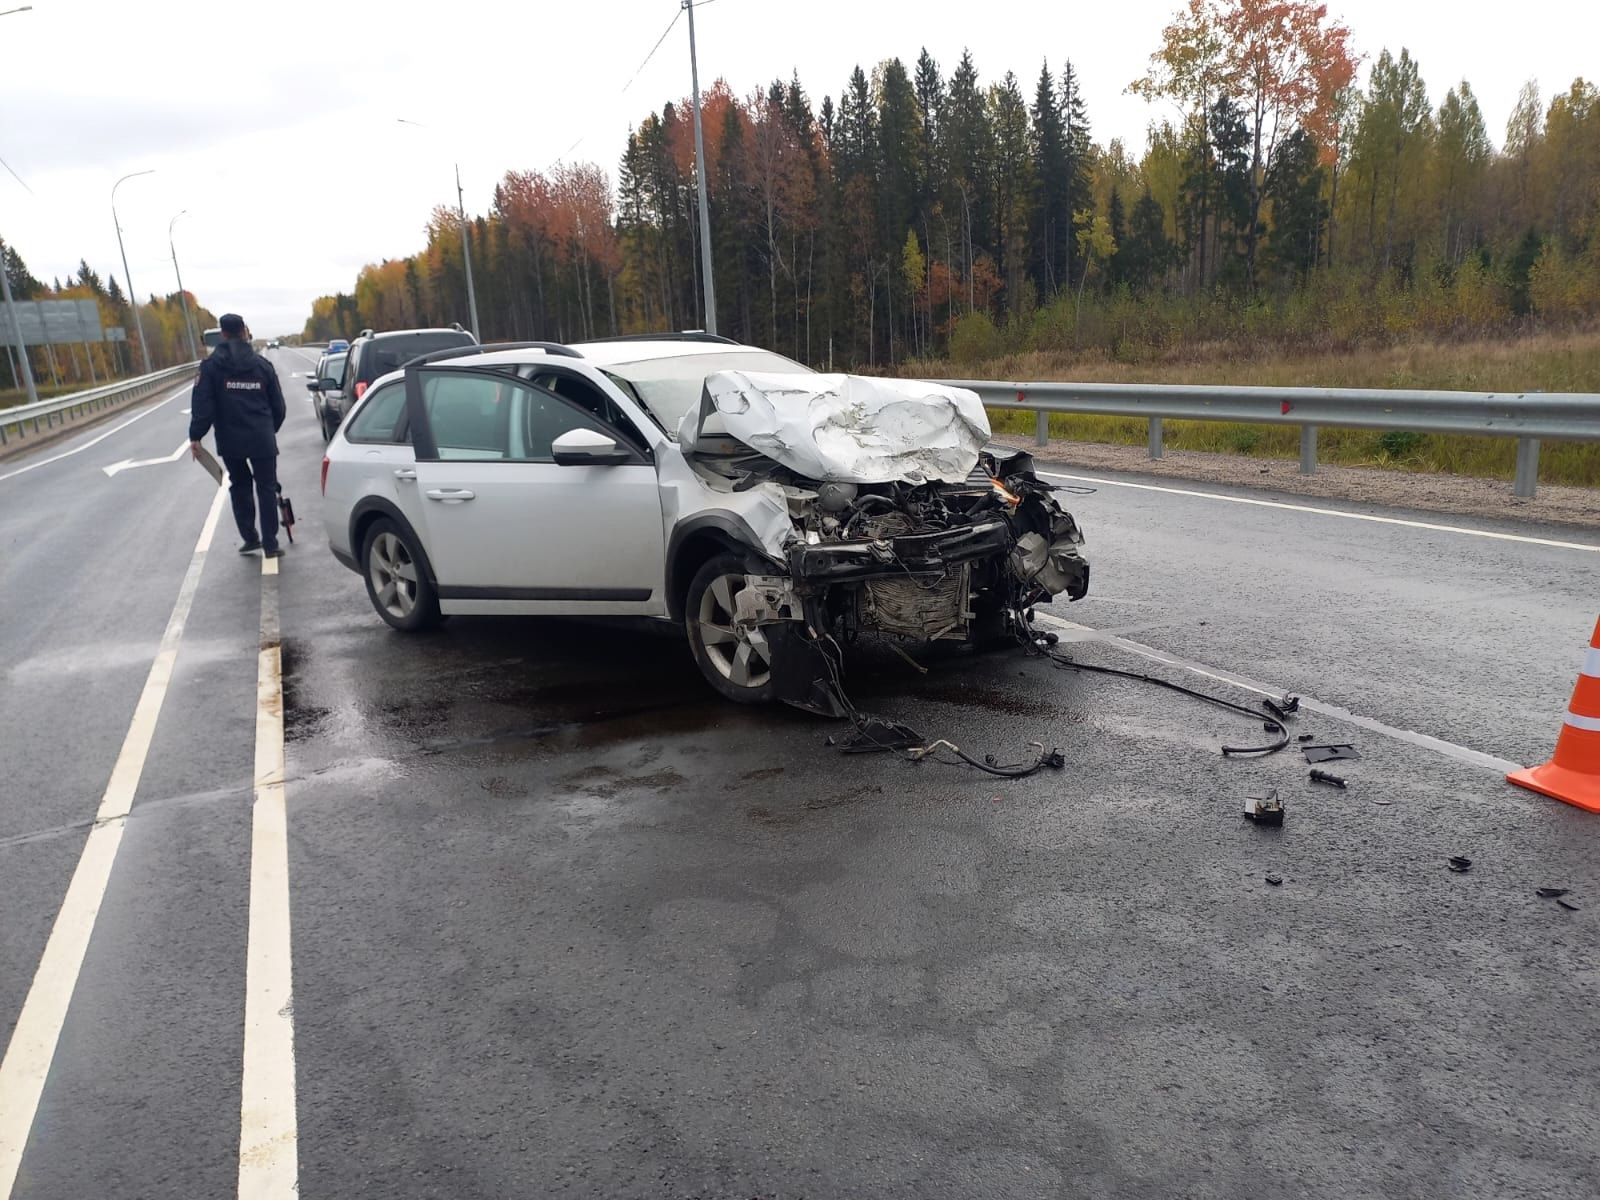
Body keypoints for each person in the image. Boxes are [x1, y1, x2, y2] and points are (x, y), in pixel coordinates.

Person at [189, 312, 287, 556]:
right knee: (266, 487)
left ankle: (250, 537)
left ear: (222, 334)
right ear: (244, 331)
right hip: (261, 438)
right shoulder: (262, 366)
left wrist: (196, 436)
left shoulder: (211, 368)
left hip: (230, 440)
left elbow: (203, 406)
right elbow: (279, 407)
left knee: (240, 485)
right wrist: (268, 429)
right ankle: (271, 544)